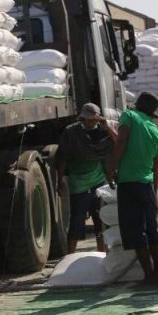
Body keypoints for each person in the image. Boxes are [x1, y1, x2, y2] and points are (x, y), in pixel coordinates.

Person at [108, 92, 158, 285]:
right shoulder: (155, 131)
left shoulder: (129, 116)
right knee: (151, 229)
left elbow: (121, 140)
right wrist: (156, 194)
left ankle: (148, 275)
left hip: (128, 184)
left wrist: (111, 167)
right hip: (147, 186)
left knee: (135, 231)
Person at [56, 103, 117, 253]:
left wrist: (108, 128)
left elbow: (118, 143)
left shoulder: (102, 132)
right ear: (82, 118)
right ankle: (70, 255)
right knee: (77, 221)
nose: (91, 122)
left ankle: (102, 254)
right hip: (78, 182)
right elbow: (62, 157)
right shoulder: (71, 132)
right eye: (88, 120)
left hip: (98, 180)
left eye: (94, 120)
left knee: (100, 220)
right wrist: (59, 180)